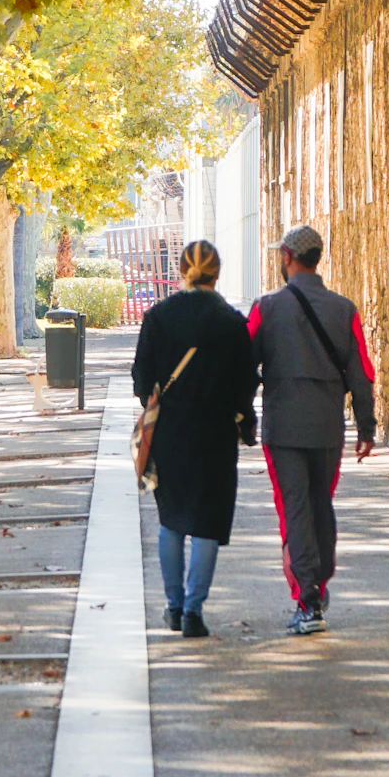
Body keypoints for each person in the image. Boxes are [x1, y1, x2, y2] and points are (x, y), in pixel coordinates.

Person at [247, 223, 376, 638]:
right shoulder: (345, 309)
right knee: (321, 504)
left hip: (283, 427)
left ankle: (307, 597)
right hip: (327, 426)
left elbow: (242, 366)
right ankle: (319, 583)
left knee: (295, 509)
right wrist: (367, 427)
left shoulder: (266, 308)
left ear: (286, 257)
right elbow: (362, 373)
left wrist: (241, 417)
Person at [131, 238, 259, 640]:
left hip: (169, 431)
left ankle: (172, 606)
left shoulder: (158, 317)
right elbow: (246, 383)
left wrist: (155, 398)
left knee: (171, 520)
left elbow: (141, 378)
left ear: (180, 271)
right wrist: (243, 421)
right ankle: (192, 611)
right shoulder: (232, 322)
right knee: (206, 523)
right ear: (217, 273)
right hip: (215, 434)